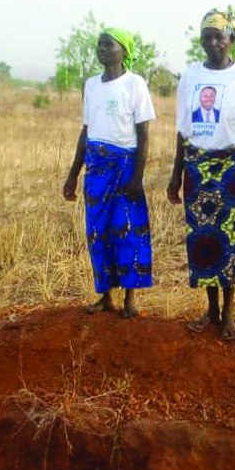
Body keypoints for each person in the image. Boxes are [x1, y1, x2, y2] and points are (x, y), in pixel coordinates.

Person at [167, 9, 235, 341]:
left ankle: (228, 314)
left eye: (219, 37)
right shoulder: (191, 76)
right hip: (196, 169)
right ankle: (210, 310)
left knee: (233, 241)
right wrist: (175, 173)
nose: (212, 43)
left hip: (232, 169)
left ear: (231, 39)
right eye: (207, 37)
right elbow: (183, 130)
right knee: (202, 241)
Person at [62, 28, 156, 318]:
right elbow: (86, 131)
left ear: (124, 50)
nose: (102, 49)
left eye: (108, 44)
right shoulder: (90, 85)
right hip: (96, 169)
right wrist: (73, 173)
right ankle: (106, 296)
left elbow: (144, 136)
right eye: (99, 44)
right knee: (97, 233)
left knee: (127, 232)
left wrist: (137, 178)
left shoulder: (135, 84)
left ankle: (130, 299)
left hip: (125, 167)